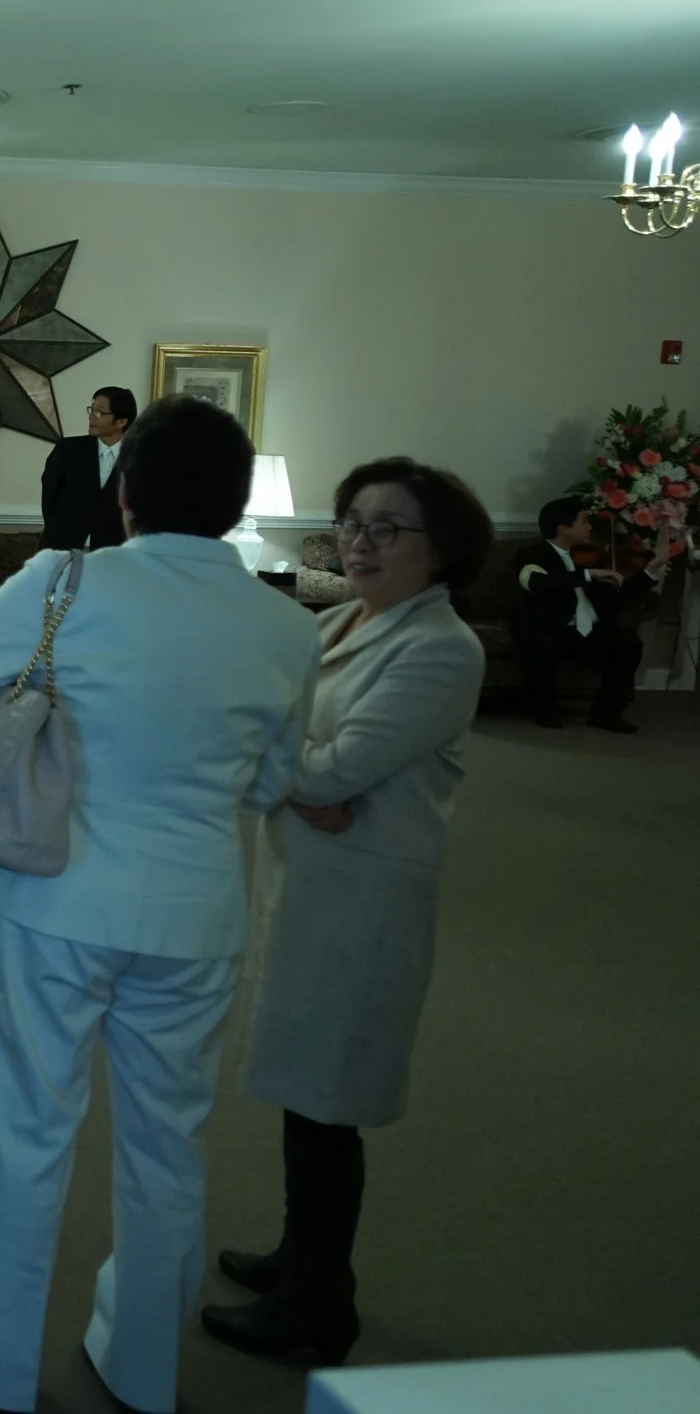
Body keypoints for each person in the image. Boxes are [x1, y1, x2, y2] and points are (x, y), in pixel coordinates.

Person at [0, 397, 318, 1414]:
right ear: (236, 503)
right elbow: (271, 784)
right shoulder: (289, 626)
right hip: (197, 915)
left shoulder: (65, 580)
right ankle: (142, 1366)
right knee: (169, 1146)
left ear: (125, 489)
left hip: (57, 897)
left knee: (29, 1128)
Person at [202, 459, 492, 1366]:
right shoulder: (333, 622)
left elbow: (329, 768)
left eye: (386, 528)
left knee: (330, 1104)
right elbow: (264, 734)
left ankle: (320, 1305)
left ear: (441, 549)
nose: (359, 543)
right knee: (305, 1090)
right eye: (352, 523)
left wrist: (303, 774)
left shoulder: (442, 648)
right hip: (307, 882)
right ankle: (302, 1257)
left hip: (364, 904)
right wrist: (305, 776)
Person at [514, 495, 671, 732]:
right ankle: (545, 709)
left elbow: (616, 599)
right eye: (584, 521)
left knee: (628, 645)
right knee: (539, 643)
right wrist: (591, 575)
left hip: (586, 631)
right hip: (551, 629)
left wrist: (653, 566)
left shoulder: (582, 559)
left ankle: (606, 714)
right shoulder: (533, 554)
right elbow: (537, 582)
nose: (589, 527)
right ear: (563, 528)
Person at [40, 385, 136, 551]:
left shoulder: (140, 458)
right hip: (62, 548)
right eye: (92, 410)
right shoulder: (67, 449)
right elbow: (49, 496)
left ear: (121, 421)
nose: (92, 417)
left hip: (114, 552)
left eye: (100, 412)